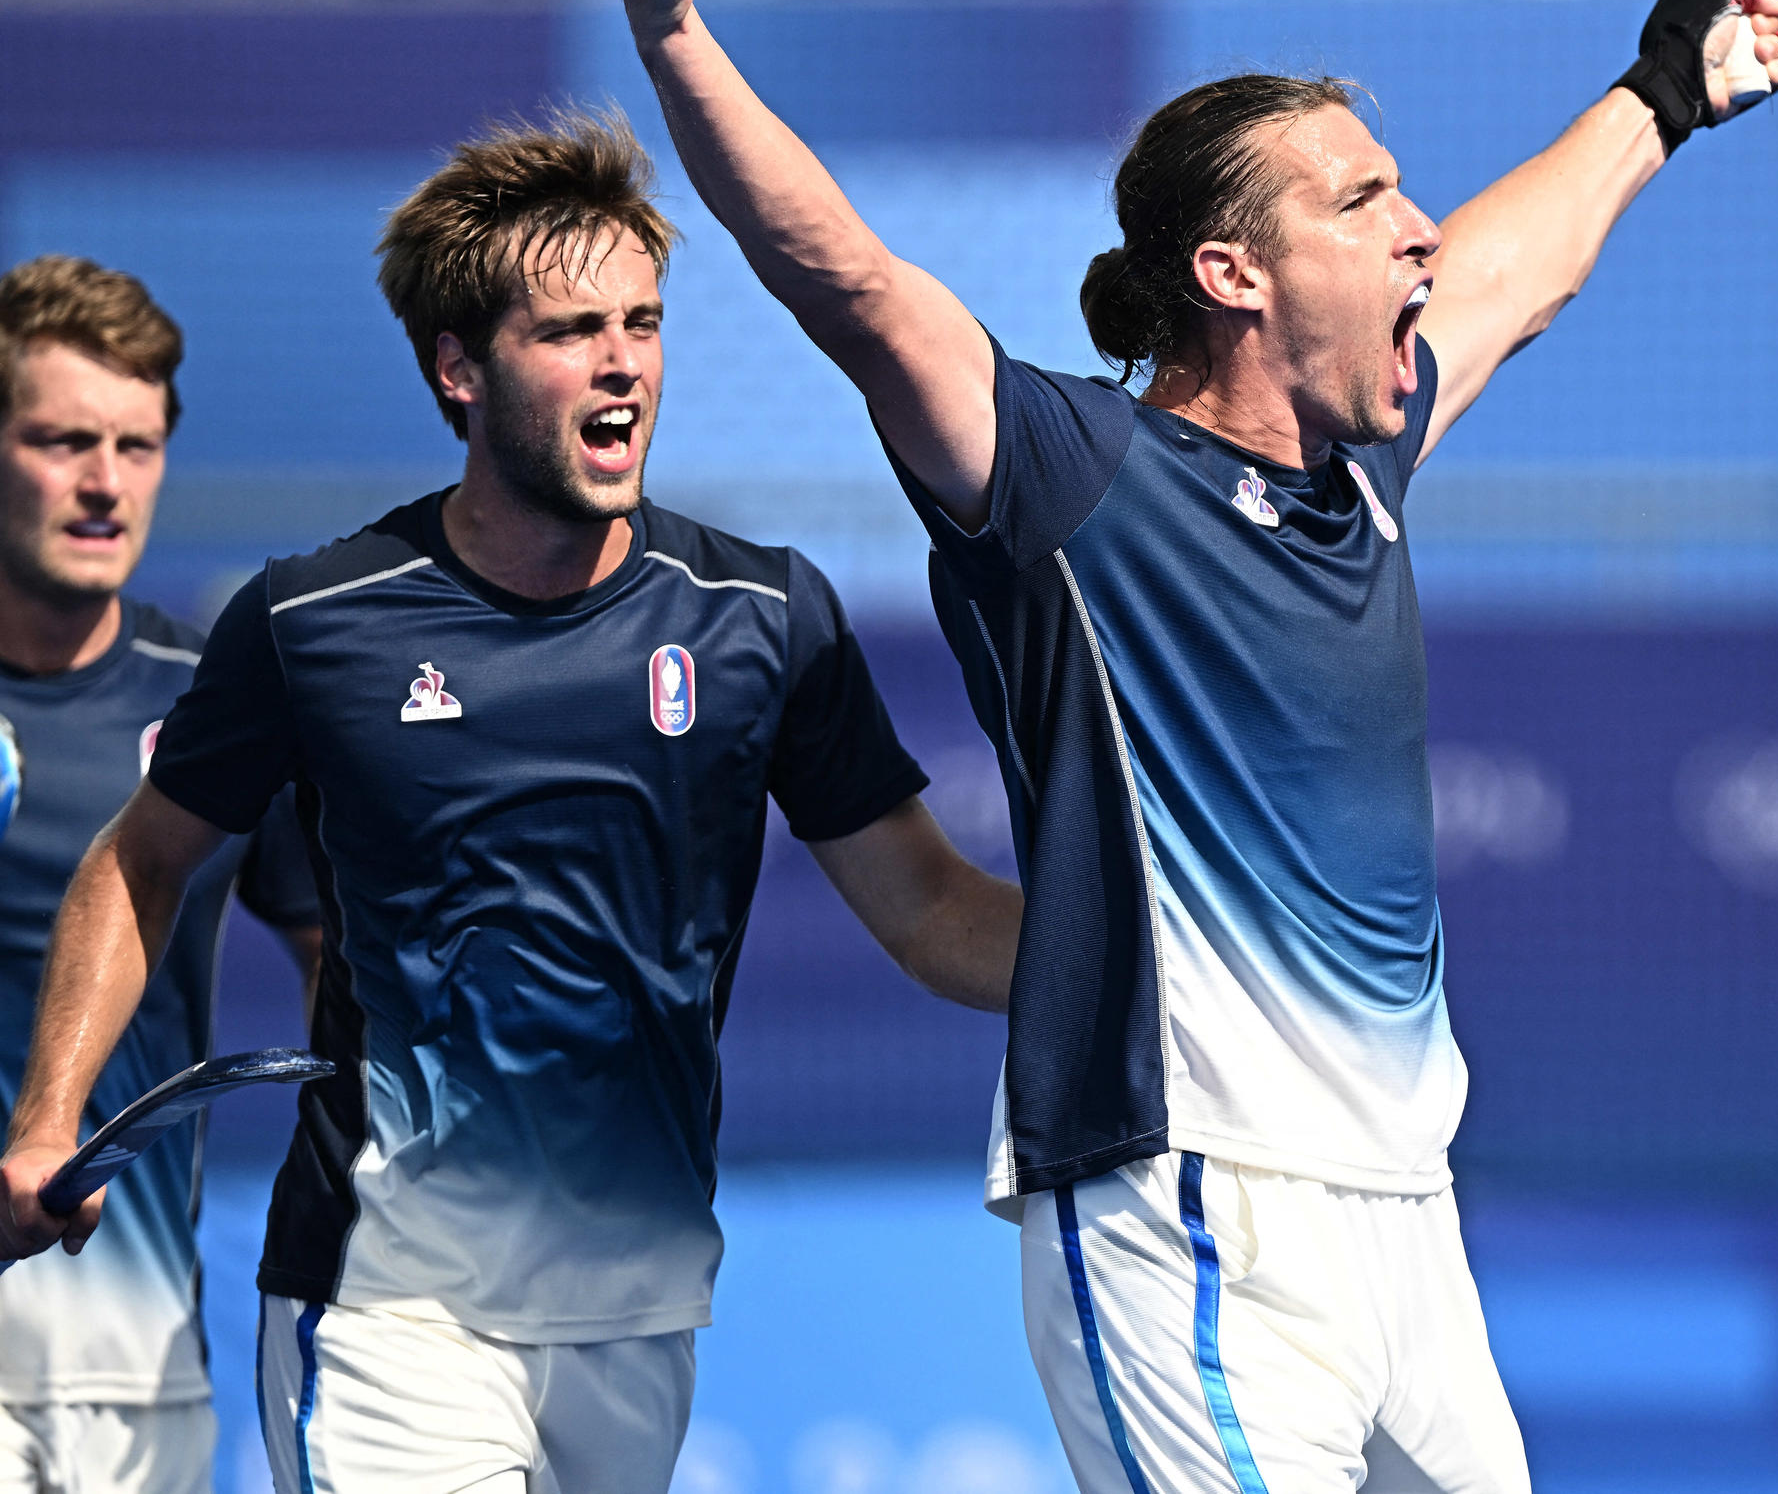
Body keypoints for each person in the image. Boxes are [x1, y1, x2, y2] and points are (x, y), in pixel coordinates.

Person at [582, 0, 1778, 1492]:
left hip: (1407, 1217)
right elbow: (839, 274)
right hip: (1187, 1195)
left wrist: (1661, 91)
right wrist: (678, 29)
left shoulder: (1363, 468)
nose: (1422, 230)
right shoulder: (1074, 476)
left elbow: (1528, 265)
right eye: (1366, 202)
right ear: (1234, 272)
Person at [0, 113, 1022, 1494]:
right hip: (382, 1305)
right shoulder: (315, 620)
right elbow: (140, 865)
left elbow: (929, 908)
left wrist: (1143, 949)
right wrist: (48, 1119)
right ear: (458, 368)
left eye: (643, 322)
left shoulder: (763, 615)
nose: (621, 362)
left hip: (640, 1304)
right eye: (570, 330)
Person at [0, 258, 322, 1494]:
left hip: (135, 1370)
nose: (103, 483)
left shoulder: (217, 707)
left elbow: (329, 965)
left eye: (136, 446)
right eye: (63, 440)